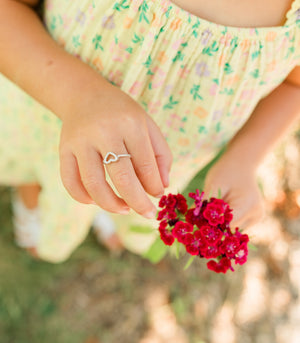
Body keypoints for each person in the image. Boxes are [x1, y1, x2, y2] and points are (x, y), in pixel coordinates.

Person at [0, 0, 300, 262]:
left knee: (122, 191)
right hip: (48, 109)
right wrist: (81, 97)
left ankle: (106, 209)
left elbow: (294, 83)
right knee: (42, 163)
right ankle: (31, 191)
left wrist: (244, 160)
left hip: (162, 160)